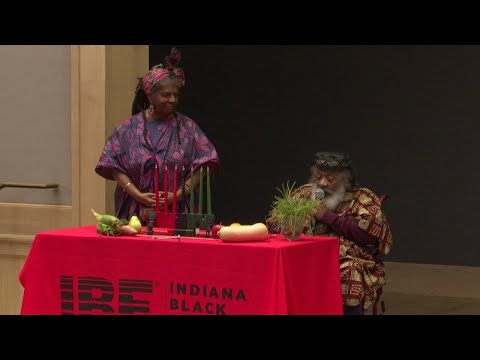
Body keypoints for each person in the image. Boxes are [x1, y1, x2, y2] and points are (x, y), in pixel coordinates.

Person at [95, 48, 219, 222]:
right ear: (149, 94)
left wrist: (178, 194)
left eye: (176, 95)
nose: (173, 100)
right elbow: (114, 167)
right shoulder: (127, 129)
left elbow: (206, 163)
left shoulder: (188, 128)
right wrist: (137, 195)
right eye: (166, 95)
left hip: (176, 214)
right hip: (134, 214)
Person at [289, 151, 393, 315]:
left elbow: (369, 235)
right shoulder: (303, 194)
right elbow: (275, 224)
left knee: (349, 271)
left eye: (330, 179)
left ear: (345, 180)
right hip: (305, 255)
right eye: (319, 177)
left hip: (346, 258)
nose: (322, 183)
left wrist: (327, 217)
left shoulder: (362, 198)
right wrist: (291, 224)